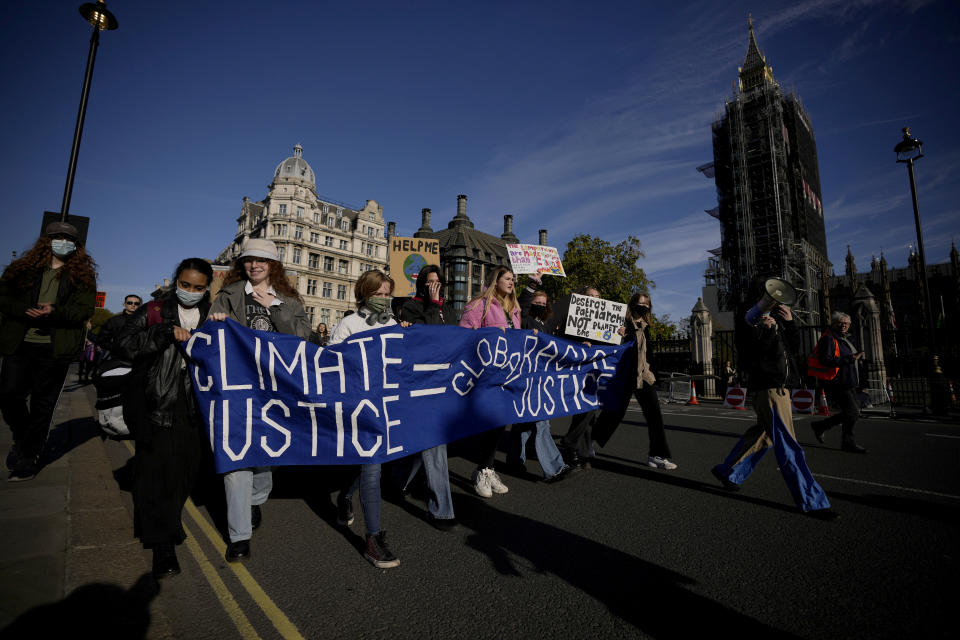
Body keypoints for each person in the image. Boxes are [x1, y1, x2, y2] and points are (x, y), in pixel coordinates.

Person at [208, 239, 312, 562]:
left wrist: (276, 309)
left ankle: (255, 500)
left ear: (273, 266)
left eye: (261, 261)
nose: (254, 266)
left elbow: (304, 341)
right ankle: (239, 537)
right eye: (249, 261)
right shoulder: (228, 295)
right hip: (238, 389)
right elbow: (210, 335)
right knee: (237, 460)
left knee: (266, 456)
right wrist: (215, 325)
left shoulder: (290, 300)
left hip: (275, 391)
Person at [113, 258, 213, 579]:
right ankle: (162, 545)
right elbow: (124, 344)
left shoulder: (213, 315)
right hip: (157, 405)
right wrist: (163, 333)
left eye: (198, 288)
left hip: (198, 409)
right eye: (185, 285)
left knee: (184, 475)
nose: (191, 292)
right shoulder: (154, 310)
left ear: (207, 288)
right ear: (176, 281)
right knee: (157, 477)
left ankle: (168, 521)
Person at [710, 286, 836, 519]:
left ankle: (728, 472)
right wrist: (768, 332)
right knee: (788, 445)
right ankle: (811, 500)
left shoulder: (775, 325)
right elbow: (751, 359)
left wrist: (788, 324)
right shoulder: (748, 325)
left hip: (779, 388)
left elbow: (794, 350)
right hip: (769, 390)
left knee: (764, 436)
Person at [0, 221, 96, 481]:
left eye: (69, 238)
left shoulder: (83, 276)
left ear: (76, 245)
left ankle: (28, 457)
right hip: (20, 342)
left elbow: (83, 310)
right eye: (59, 236)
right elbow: (4, 299)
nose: (63, 241)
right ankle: (24, 440)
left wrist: (55, 312)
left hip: (55, 348)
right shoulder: (21, 270)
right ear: (47, 240)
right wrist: (24, 311)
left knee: (43, 404)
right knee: (9, 395)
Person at [329, 269, 401, 568]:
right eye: (378, 294)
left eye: (387, 294)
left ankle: (345, 495)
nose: (384, 300)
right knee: (373, 468)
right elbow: (330, 365)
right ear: (364, 294)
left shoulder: (394, 323)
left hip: (386, 404)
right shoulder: (349, 324)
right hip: (359, 406)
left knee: (377, 463)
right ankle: (372, 539)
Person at [398, 265, 459, 530]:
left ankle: (398, 482)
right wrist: (432, 306)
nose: (435, 285)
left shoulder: (450, 310)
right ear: (422, 284)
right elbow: (427, 337)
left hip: (445, 382)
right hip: (422, 384)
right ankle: (442, 509)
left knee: (425, 442)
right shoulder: (412, 308)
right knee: (434, 442)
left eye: (438, 282)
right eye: (429, 282)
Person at [594, 293, 677, 470]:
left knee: (655, 416)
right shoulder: (621, 323)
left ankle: (657, 455)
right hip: (625, 377)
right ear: (632, 305)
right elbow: (608, 343)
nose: (643, 307)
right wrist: (618, 334)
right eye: (640, 304)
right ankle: (589, 441)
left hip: (644, 377)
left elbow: (649, 354)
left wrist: (654, 374)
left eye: (646, 305)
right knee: (614, 413)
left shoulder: (647, 327)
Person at [458, 266, 518, 498]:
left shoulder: (513, 309)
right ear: (496, 281)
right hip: (484, 375)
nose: (511, 282)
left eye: (513, 279)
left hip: (507, 374)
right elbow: (464, 338)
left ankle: (487, 469)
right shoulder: (478, 305)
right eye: (507, 279)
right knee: (489, 422)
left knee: (499, 422)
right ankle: (483, 470)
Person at [507, 275, 572, 482]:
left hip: (540, 379)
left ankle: (514, 461)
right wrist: (532, 285)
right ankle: (554, 467)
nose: (541, 306)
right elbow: (524, 304)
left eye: (544, 304)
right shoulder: (524, 319)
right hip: (525, 378)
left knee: (523, 425)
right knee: (541, 424)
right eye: (537, 303)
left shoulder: (545, 326)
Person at [810, 312, 868, 454]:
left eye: (846, 323)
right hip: (837, 381)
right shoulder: (829, 339)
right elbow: (825, 360)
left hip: (849, 381)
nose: (843, 325)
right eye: (840, 323)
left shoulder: (846, 339)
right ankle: (847, 442)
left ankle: (821, 426)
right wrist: (849, 358)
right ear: (833, 324)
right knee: (853, 411)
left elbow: (856, 361)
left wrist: (863, 382)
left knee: (853, 412)